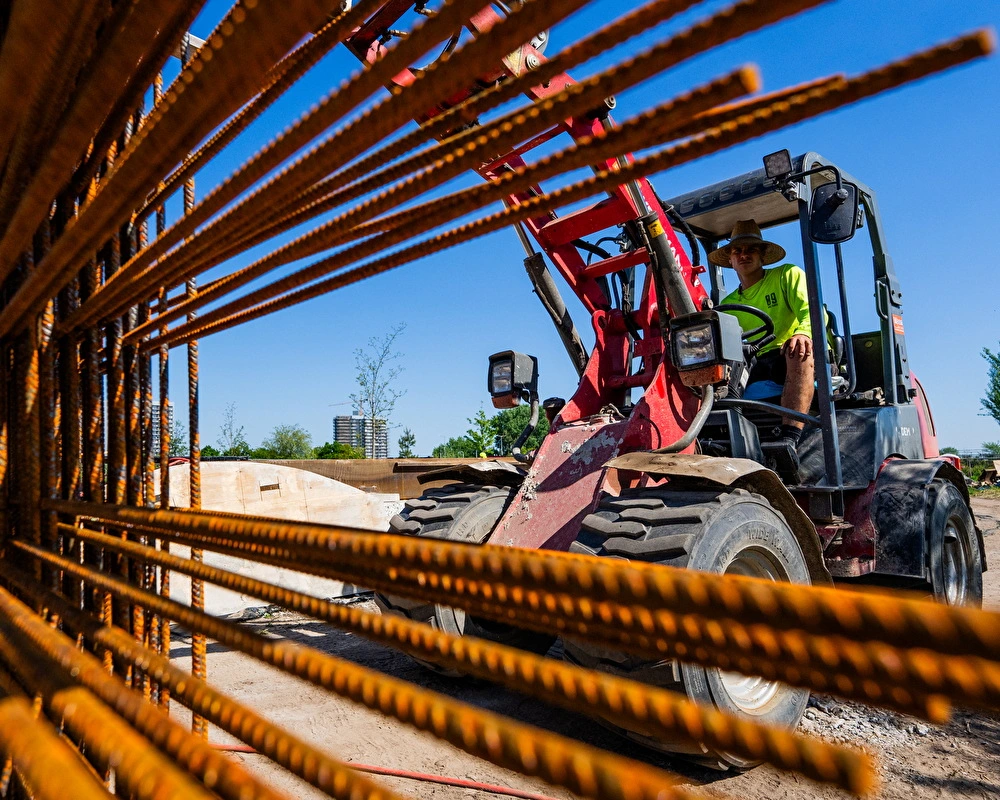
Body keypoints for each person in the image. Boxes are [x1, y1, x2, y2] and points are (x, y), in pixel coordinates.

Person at [708, 219, 817, 449]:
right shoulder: (728, 304)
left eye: (751, 250)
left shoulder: (787, 275)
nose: (744, 255)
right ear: (730, 259)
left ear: (763, 256)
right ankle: (716, 438)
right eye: (738, 250)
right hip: (757, 363)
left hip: (794, 354)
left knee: (798, 349)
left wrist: (804, 334)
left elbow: (813, 312)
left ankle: (789, 439)